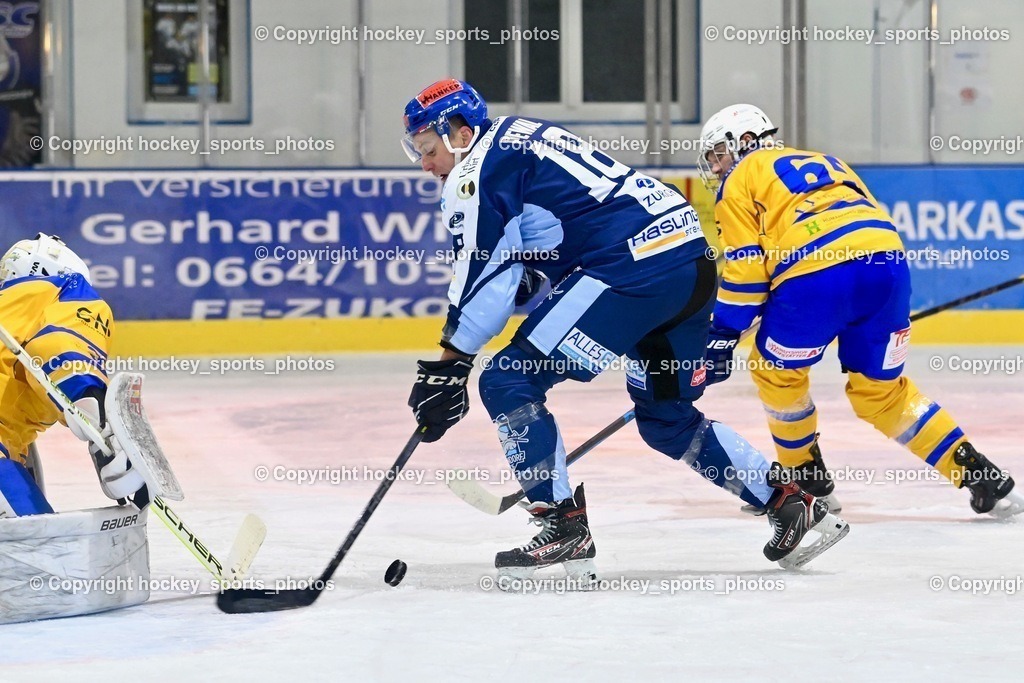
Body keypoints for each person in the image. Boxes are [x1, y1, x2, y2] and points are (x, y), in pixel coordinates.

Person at [402, 78, 849, 580]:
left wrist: (449, 365)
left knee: (507, 380)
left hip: (630, 272)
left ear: (460, 133)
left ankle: (563, 524)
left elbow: (484, 279)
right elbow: (549, 246)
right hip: (688, 262)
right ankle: (787, 504)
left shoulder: (474, 174)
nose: (424, 164)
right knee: (665, 417)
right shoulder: (521, 135)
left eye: (427, 149)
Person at [696, 104, 1021, 517]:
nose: (716, 166)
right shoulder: (830, 161)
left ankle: (807, 482)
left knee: (775, 369)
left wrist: (722, 336)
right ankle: (981, 475)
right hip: (886, 268)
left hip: (815, 279)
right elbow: (867, 219)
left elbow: (745, 272)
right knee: (882, 394)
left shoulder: (739, 180)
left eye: (718, 154)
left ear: (745, 142)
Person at [0, 233, 148, 517]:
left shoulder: (10, 310)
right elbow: (59, 345)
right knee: (41, 554)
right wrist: (98, 414)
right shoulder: (65, 288)